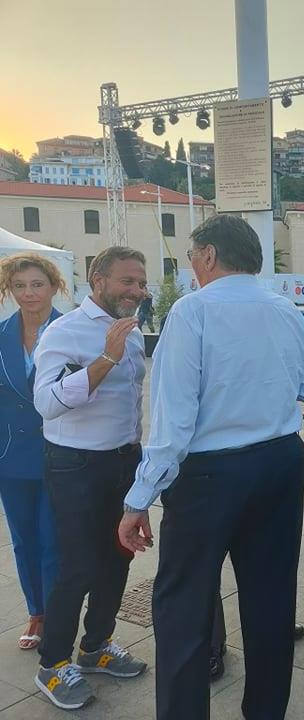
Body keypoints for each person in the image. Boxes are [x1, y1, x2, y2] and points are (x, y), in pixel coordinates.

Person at [116, 215, 304, 720]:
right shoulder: (286, 310)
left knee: (183, 607)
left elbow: (172, 423)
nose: (192, 265)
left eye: (192, 256)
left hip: (210, 475)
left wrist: (139, 498)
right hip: (279, 462)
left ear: (208, 255)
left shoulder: (193, 311)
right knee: (272, 598)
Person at [32, 246, 149, 710]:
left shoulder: (130, 331)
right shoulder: (64, 331)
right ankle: (52, 664)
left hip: (124, 461)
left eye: (141, 283)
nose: (137, 290)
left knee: (118, 557)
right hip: (75, 465)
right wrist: (105, 359)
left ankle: (96, 647)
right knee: (78, 564)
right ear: (98, 280)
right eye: (128, 281)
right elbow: (47, 403)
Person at [0, 254, 65, 652]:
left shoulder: (70, 331)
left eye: (37, 284)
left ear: (53, 286)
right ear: (9, 290)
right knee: (24, 540)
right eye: (19, 285)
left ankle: (56, 614)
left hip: (59, 454)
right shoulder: (1, 334)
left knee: (52, 539)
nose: (29, 293)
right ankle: (37, 612)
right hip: (10, 457)